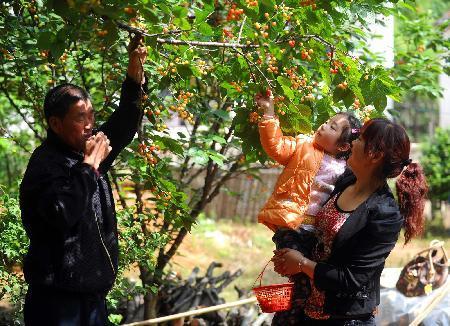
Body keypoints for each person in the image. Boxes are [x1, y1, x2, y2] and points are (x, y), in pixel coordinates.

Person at [19, 35, 147, 325]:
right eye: (80, 118)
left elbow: (125, 120)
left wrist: (135, 72)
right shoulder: (46, 163)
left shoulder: (85, 152)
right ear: (55, 123)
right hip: (57, 305)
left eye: (92, 116)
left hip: (92, 303)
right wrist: (90, 166)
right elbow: (62, 212)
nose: (90, 125)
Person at [272, 118, 429, 325]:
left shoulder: (384, 214)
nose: (353, 142)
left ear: (375, 155)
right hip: (307, 308)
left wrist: (301, 264)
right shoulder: (346, 180)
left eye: (361, 139)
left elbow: (351, 279)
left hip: (344, 319)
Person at [254, 92, 361, 302]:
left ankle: (302, 304)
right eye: (327, 121)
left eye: (332, 127)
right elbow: (275, 146)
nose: (323, 125)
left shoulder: (348, 169)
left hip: (318, 231)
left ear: (343, 146)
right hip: (292, 224)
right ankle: (296, 303)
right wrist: (268, 114)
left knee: (311, 272)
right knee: (294, 264)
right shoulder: (303, 146)